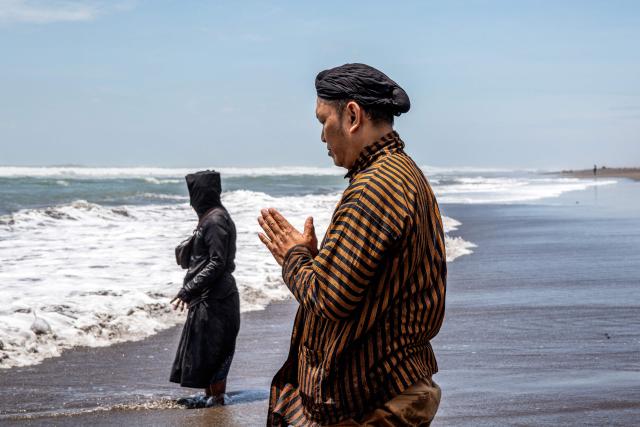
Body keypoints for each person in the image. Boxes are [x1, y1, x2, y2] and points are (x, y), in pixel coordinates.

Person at [258, 63, 447, 426]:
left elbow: (330, 298)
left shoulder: (374, 188)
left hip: (378, 398)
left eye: (322, 121)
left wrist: (293, 258)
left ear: (353, 115)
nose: (322, 137)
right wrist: (318, 261)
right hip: (396, 387)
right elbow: (362, 285)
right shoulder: (401, 172)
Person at [170, 170, 240, 408]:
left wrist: (188, 289)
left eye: (194, 193)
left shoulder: (215, 220)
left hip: (217, 298)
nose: (191, 201)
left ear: (201, 194)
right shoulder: (213, 217)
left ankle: (217, 399)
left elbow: (217, 262)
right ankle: (210, 397)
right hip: (211, 296)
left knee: (214, 351)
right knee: (207, 350)